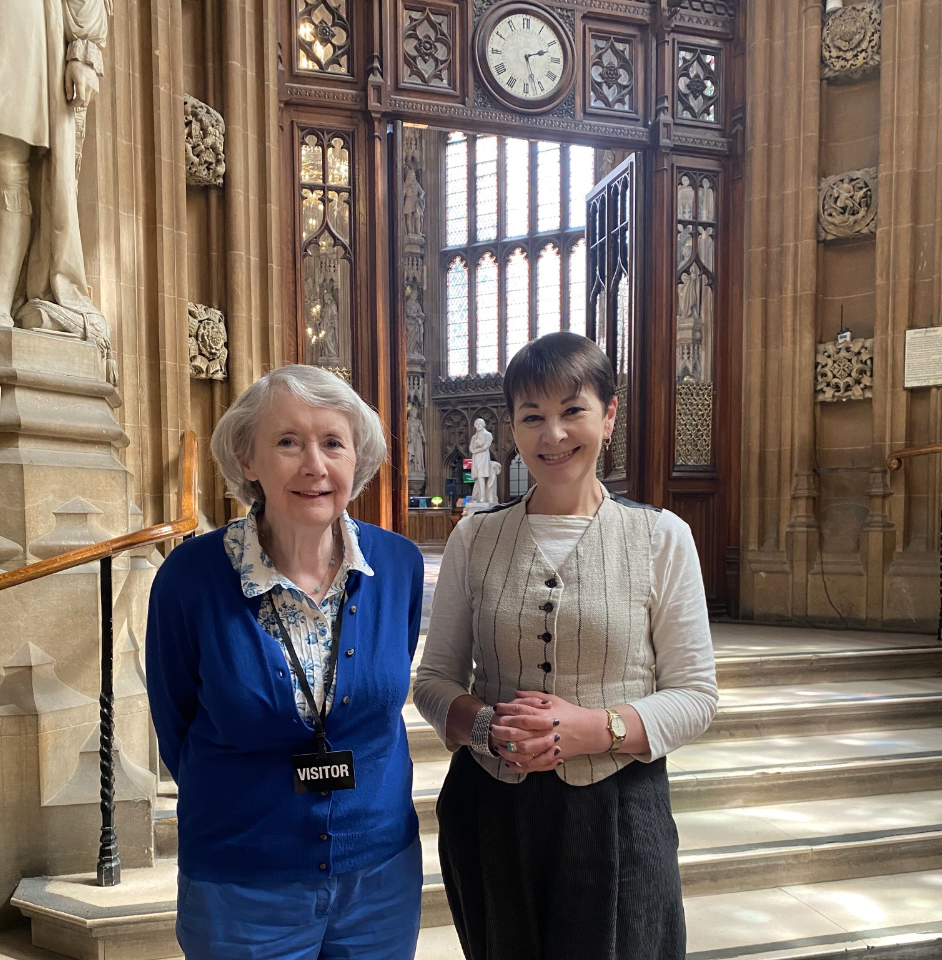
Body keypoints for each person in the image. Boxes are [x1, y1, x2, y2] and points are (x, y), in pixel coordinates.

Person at [413, 331, 718, 960]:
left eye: (572, 411)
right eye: (533, 417)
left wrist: (596, 728)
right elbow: (434, 682)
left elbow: (696, 695)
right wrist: (485, 726)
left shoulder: (662, 537)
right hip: (493, 807)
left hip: (618, 813)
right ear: (513, 429)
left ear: (608, 415)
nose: (552, 435)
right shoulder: (475, 538)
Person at [146, 365, 424, 960]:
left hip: (380, 875)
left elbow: (384, 695)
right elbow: (176, 726)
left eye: (333, 443)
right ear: (249, 460)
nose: (314, 465)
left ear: (357, 458)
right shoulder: (188, 580)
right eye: (288, 441)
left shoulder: (399, 565)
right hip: (241, 883)